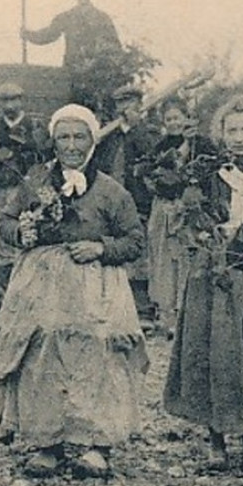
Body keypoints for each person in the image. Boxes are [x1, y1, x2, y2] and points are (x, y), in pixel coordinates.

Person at [0, 104, 149, 478]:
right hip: (42, 282)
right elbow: (6, 221)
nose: (72, 145)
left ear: (93, 139)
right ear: (53, 140)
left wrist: (101, 248)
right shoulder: (36, 182)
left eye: (80, 136)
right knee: (41, 350)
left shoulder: (111, 190)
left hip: (96, 285)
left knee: (98, 352)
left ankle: (97, 445)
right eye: (64, 136)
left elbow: (135, 240)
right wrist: (21, 233)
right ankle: (49, 443)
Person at [163, 94, 243, 472]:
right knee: (213, 354)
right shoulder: (209, 176)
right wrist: (207, 235)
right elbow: (191, 222)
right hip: (214, 278)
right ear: (221, 135)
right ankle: (216, 439)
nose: (239, 138)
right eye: (231, 130)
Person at [142, 98, 211, 332]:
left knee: (186, 256)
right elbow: (148, 171)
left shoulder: (199, 144)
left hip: (189, 208)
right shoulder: (160, 146)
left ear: (186, 117)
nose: (173, 123)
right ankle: (166, 313)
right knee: (163, 259)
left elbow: (212, 167)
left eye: (177, 117)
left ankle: (186, 311)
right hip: (164, 208)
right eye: (168, 119)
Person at [94, 83, 159, 318]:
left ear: (139, 105)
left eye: (130, 103)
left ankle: (141, 306)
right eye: (121, 103)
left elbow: (153, 154)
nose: (125, 108)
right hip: (110, 202)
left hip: (137, 200)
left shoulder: (148, 131)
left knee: (138, 252)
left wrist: (136, 127)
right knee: (111, 248)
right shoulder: (109, 135)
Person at [21, 0, 124, 108]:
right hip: (72, 74)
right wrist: (28, 35)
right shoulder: (67, 17)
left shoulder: (102, 18)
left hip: (97, 76)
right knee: (72, 107)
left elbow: (115, 47)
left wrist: (98, 61)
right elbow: (49, 34)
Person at [0, 81, 50, 269]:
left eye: (14, 100)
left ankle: (25, 259)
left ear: (22, 101)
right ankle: (0, 265)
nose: (9, 106)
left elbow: (43, 154)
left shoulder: (34, 125)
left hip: (24, 185)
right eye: (4, 101)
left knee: (26, 221)